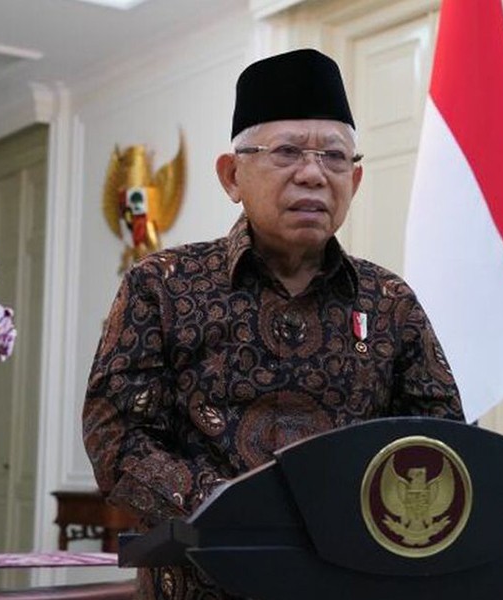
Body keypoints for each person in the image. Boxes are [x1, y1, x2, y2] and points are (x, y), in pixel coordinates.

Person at [82, 48, 464, 600]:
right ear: (232, 175)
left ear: (355, 181)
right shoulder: (162, 286)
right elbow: (116, 437)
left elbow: (439, 440)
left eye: (334, 157)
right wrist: (238, 509)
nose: (313, 174)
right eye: (287, 152)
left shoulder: (390, 302)